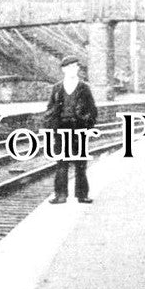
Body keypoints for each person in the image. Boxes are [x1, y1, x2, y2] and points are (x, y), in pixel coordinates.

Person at [44, 56, 97, 204]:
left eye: (75, 67)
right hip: (61, 129)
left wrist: (87, 124)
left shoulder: (84, 87)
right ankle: (60, 195)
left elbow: (92, 109)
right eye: (69, 68)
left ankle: (82, 195)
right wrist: (50, 126)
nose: (72, 70)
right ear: (63, 70)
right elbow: (50, 108)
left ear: (78, 69)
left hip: (79, 128)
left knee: (80, 163)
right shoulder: (57, 88)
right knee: (61, 163)